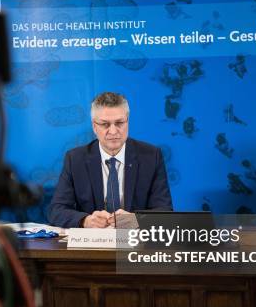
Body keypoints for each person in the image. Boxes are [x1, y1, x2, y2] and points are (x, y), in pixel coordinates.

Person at [48, 92, 173, 228]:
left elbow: (165, 212)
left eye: (119, 123)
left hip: (134, 243)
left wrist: (137, 220)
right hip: (92, 245)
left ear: (127, 122)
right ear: (94, 127)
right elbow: (56, 211)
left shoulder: (151, 156)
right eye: (105, 124)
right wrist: (86, 221)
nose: (113, 131)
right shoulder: (75, 159)